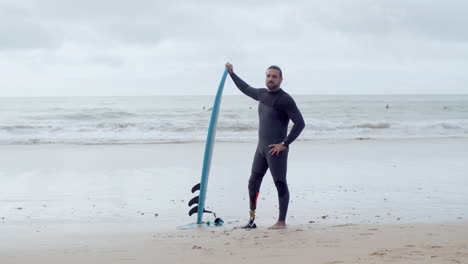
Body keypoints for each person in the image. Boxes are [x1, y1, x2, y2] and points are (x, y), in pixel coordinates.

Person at [225, 62, 305, 229]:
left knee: (280, 183)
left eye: (274, 76)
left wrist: (284, 144)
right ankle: (251, 219)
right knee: (253, 182)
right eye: (268, 76)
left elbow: (300, 123)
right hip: (261, 150)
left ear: (281, 79)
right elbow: (245, 88)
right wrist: (232, 74)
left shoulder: (285, 99)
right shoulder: (261, 94)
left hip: (276, 151)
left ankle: (281, 222)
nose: (270, 79)